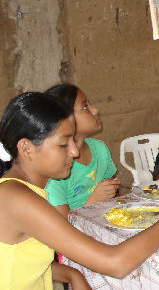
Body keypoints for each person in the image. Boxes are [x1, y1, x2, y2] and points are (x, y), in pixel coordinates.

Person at [0, 92, 159, 290]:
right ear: (26, 148)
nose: (74, 152)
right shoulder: (15, 198)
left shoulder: (21, 189)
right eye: (64, 144)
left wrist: (72, 273)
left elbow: (24, 260)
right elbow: (116, 263)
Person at [44, 84, 119, 218]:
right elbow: (63, 226)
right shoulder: (55, 168)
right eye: (85, 107)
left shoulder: (100, 149)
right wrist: (93, 200)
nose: (95, 110)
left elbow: (112, 197)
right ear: (66, 119)